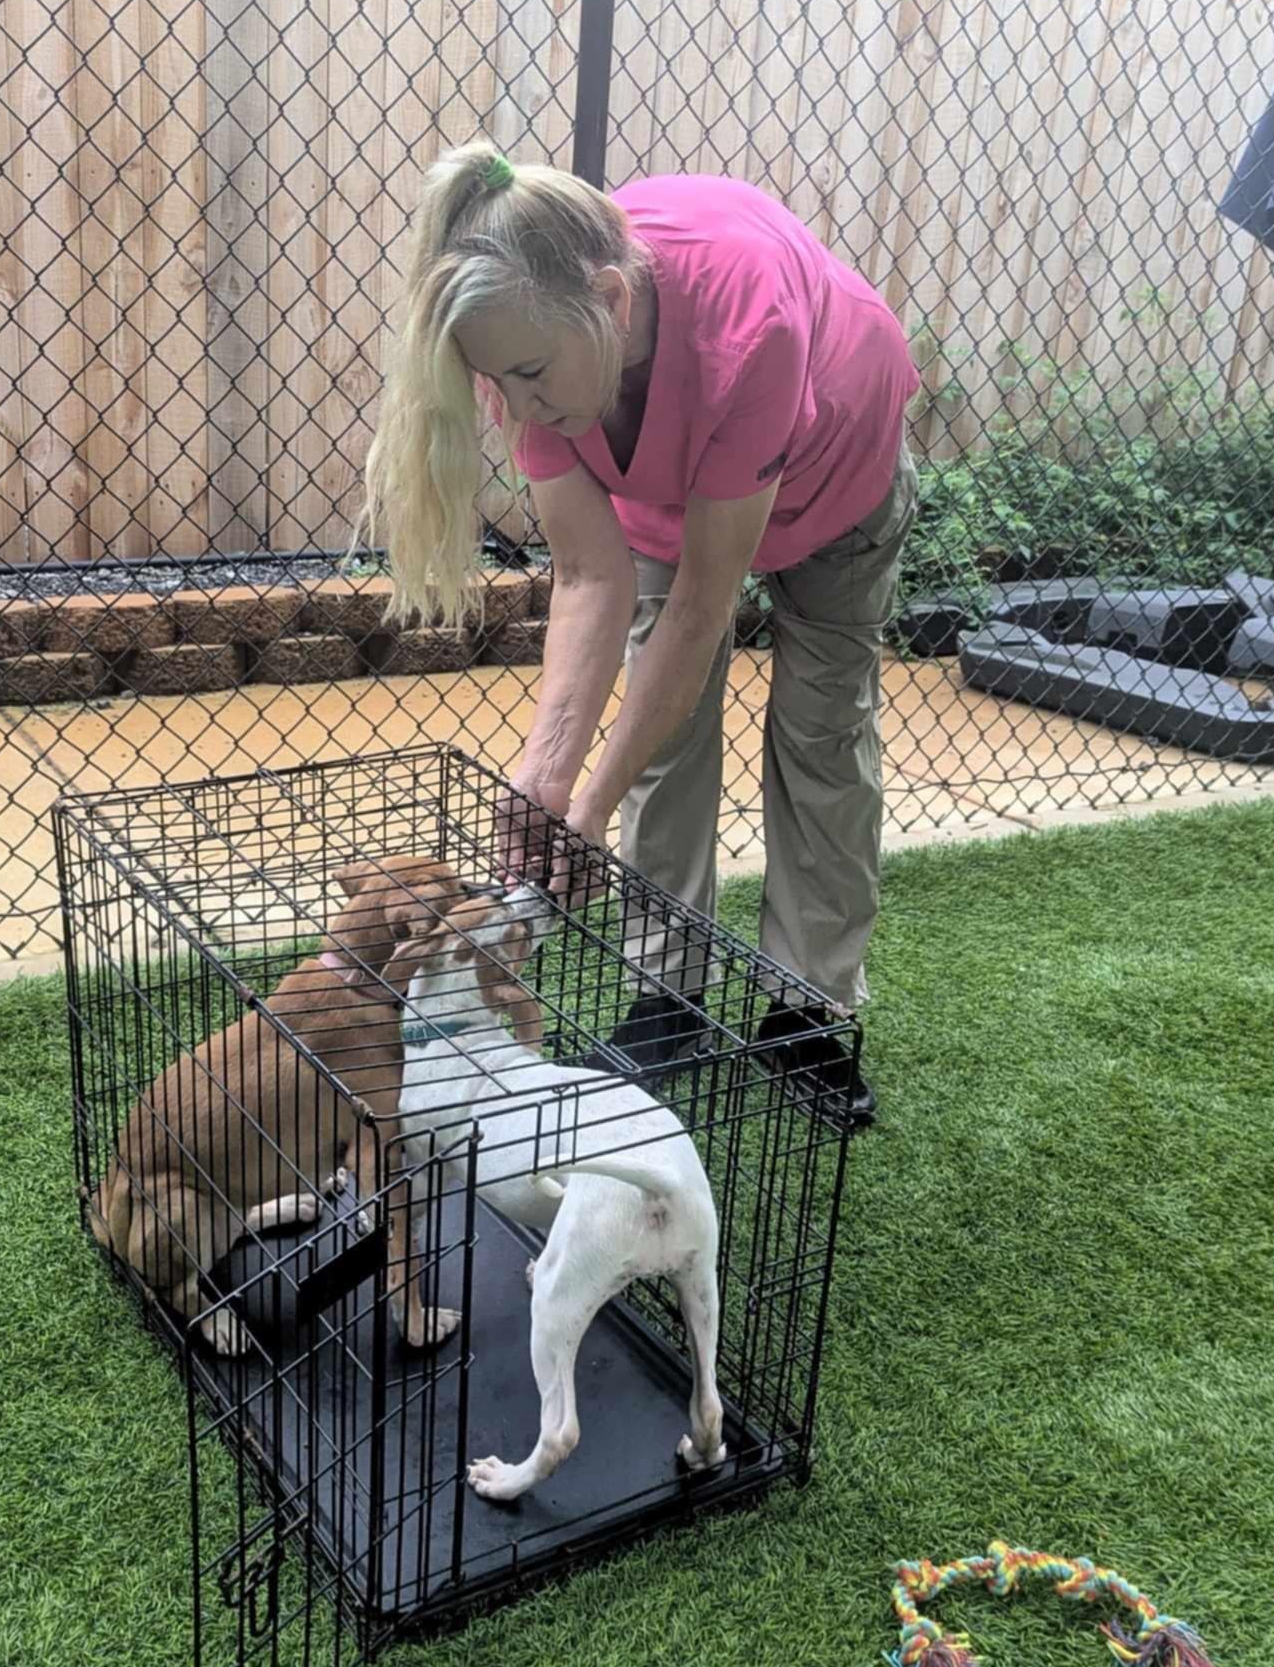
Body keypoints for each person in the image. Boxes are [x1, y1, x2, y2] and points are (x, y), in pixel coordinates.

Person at [364, 141, 919, 1126]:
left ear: (612, 303)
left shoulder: (750, 326)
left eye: (533, 376)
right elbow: (587, 573)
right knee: (663, 738)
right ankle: (669, 997)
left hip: (839, 476)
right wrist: (546, 775)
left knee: (821, 730)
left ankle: (805, 1012)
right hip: (683, 490)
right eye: (501, 383)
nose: (521, 408)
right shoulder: (523, 343)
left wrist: (593, 802)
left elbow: (708, 604)